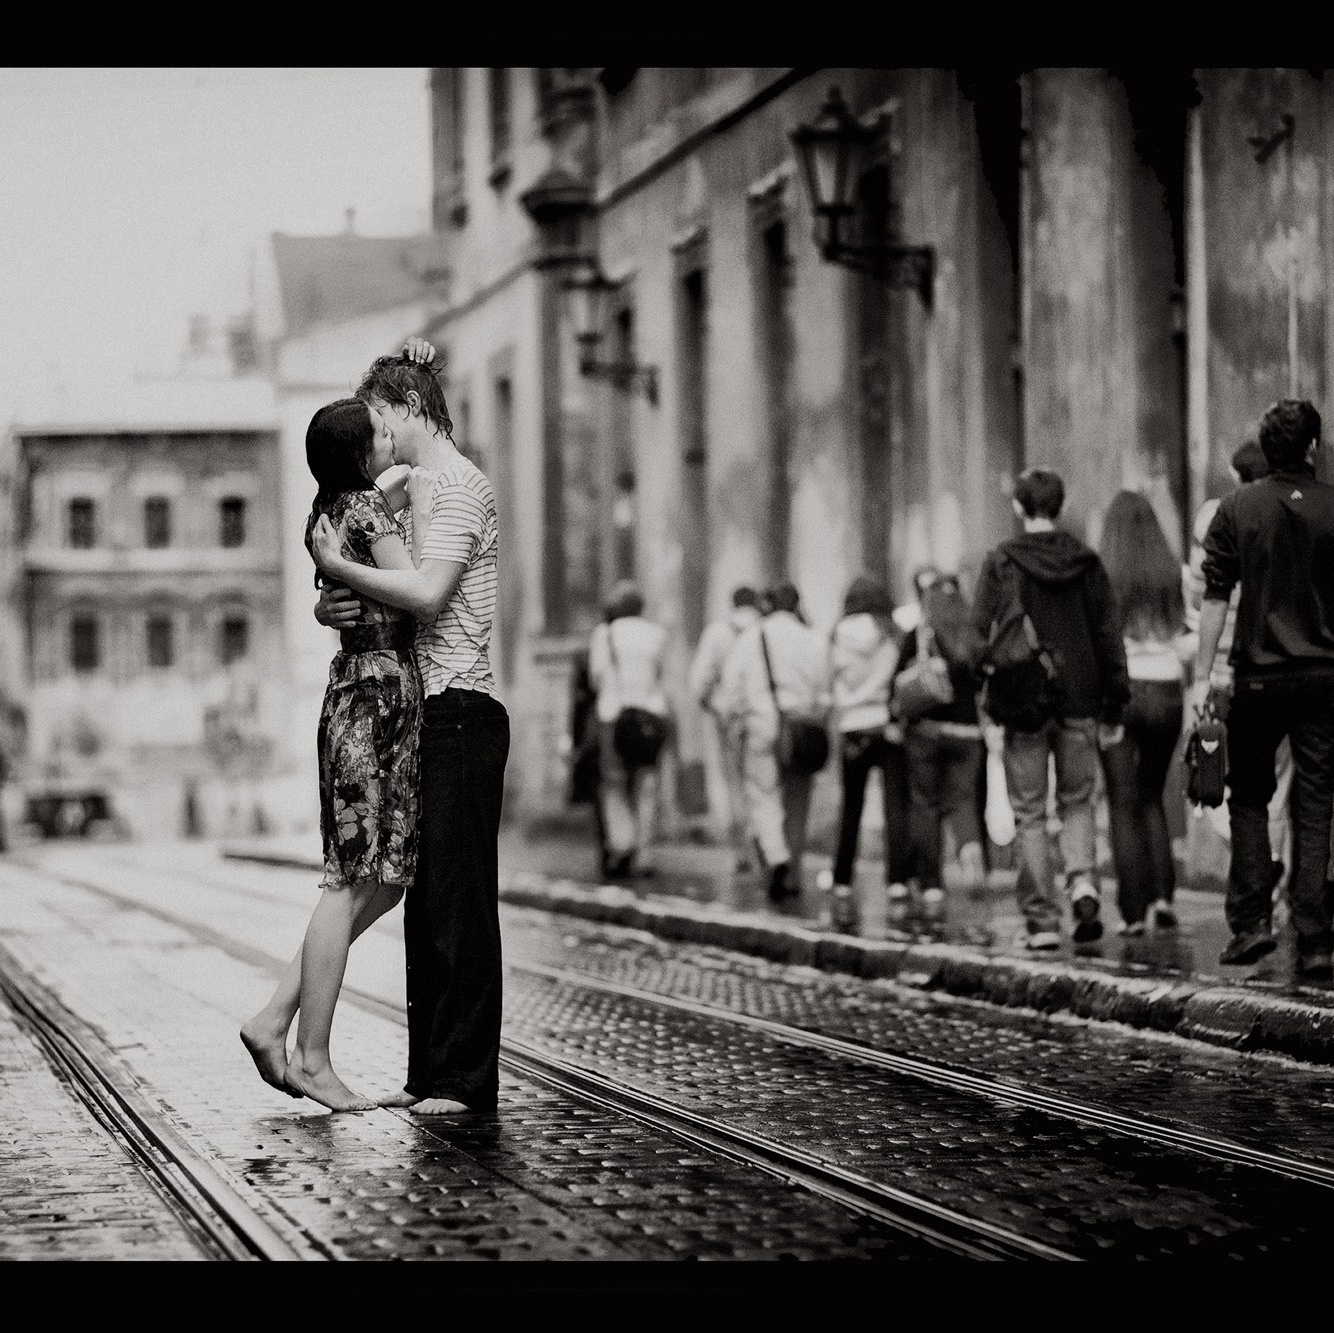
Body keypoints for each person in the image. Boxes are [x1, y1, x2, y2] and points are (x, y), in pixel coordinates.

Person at [312, 337, 508, 1113]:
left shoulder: (461, 486)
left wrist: (339, 570)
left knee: (460, 901)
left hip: (461, 706)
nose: (376, 435)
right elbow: (365, 536)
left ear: (409, 410)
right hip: (421, 709)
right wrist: (329, 602)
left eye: (381, 418)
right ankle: (428, 1071)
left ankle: (463, 1078)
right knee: (424, 904)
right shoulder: (415, 485)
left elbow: (425, 594)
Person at [240, 397, 422, 1112]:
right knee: (350, 880)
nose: (388, 434)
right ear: (357, 453)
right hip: (375, 697)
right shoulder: (363, 509)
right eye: (378, 431)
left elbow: (402, 486)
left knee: (384, 883)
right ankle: (313, 1058)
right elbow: (414, 589)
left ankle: (273, 1019)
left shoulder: (335, 506)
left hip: (366, 692)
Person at [1195, 399, 1334, 980]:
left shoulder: (1237, 508)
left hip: (1257, 674)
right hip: (1324, 677)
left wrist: (1202, 675)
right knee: (1315, 801)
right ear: (1312, 447)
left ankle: (1252, 922)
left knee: (1249, 793)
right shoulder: (1332, 505)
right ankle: (1315, 934)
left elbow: (1215, 596)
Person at [972, 468, 1130, 952]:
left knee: (1030, 813)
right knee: (1078, 802)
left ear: (1019, 507)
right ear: (1060, 506)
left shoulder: (1001, 562)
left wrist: (985, 693)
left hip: (1023, 702)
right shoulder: (1087, 562)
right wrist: (1115, 703)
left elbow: (978, 635)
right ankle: (1082, 884)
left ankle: (1041, 921)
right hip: (1081, 699)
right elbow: (1108, 634)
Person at [1183, 439, 1291, 895]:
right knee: (1277, 783)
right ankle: (1270, 867)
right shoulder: (1295, 514)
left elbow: (1200, 599)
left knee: (1221, 779)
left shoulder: (1216, 517)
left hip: (1227, 671)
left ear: (1235, 475)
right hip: (1283, 666)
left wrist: (1201, 674)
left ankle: (1255, 869)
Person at [1097, 490, 1192, 936]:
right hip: (1168, 691)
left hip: (1122, 693)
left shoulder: (1104, 576)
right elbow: (1191, 632)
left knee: (1122, 799)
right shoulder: (1173, 572)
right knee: (1153, 793)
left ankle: (1132, 912)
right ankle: (1163, 897)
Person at [715, 582, 830, 903]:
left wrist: (735, 719)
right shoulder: (814, 638)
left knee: (764, 797)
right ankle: (793, 873)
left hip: (762, 727)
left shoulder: (751, 637)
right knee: (798, 803)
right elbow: (825, 691)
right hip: (802, 729)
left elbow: (731, 690)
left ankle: (776, 857)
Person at [895, 573, 986, 932]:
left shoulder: (922, 634)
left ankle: (932, 885)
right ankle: (969, 846)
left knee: (925, 805)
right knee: (962, 800)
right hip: (968, 733)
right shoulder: (973, 636)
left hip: (927, 732)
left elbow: (897, 679)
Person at [826, 574, 911, 932]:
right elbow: (896, 679)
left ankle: (842, 878)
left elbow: (832, 678)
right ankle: (898, 880)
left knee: (851, 806)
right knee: (896, 806)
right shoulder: (891, 632)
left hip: (852, 726)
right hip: (886, 725)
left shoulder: (838, 634)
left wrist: (848, 702)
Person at [588, 581, 670, 879]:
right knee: (647, 785)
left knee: (614, 783)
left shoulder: (605, 634)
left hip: (614, 716)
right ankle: (645, 854)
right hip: (650, 716)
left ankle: (623, 841)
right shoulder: (656, 634)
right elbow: (661, 675)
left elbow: (596, 677)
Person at [688, 586, 762, 871]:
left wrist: (714, 706)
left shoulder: (717, 632)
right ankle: (766, 842)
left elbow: (698, 682)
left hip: (729, 719)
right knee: (764, 783)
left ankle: (742, 850)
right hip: (763, 717)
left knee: (735, 784)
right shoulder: (767, 628)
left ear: (733, 604)